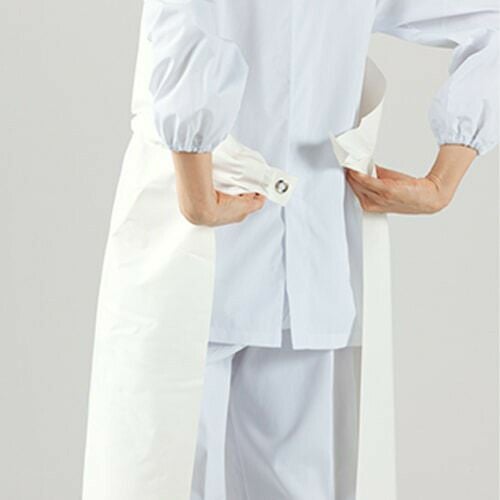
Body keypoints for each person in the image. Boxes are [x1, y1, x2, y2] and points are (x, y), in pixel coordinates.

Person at [83, 1, 499, 499]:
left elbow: (184, 25)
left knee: (164, 470)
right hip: (278, 246)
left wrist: (443, 180)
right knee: (192, 472)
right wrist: (442, 179)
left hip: (268, 244)